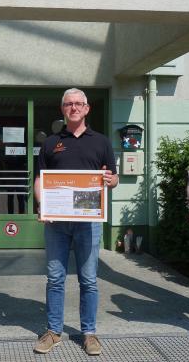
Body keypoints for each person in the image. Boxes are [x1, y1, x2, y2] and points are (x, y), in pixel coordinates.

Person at [33, 88, 119, 356]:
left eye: (78, 103)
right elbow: (39, 180)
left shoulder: (102, 142)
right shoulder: (50, 143)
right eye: (68, 104)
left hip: (88, 222)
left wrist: (110, 180)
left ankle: (89, 333)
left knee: (89, 279)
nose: (73, 107)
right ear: (63, 109)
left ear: (87, 108)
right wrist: (42, 205)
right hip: (57, 222)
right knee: (55, 278)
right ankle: (54, 331)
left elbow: (113, 178)